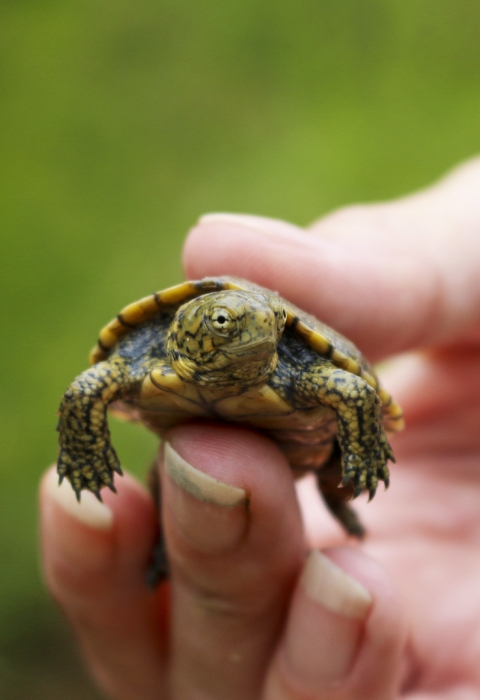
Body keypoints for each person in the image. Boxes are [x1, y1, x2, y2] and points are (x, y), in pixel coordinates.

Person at [40, 158, 480, 700]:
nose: (252, 331)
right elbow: (89, 386)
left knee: (316, 480)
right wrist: (84, 453)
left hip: (308, 442)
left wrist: (364, 450)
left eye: (265, 325)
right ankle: (158, 550)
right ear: (188, 328)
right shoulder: (149, 350)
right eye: (225, 323)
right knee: (179, 491)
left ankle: (335, 491)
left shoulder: (296, 367)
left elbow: (354, 390)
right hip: (199, 448)